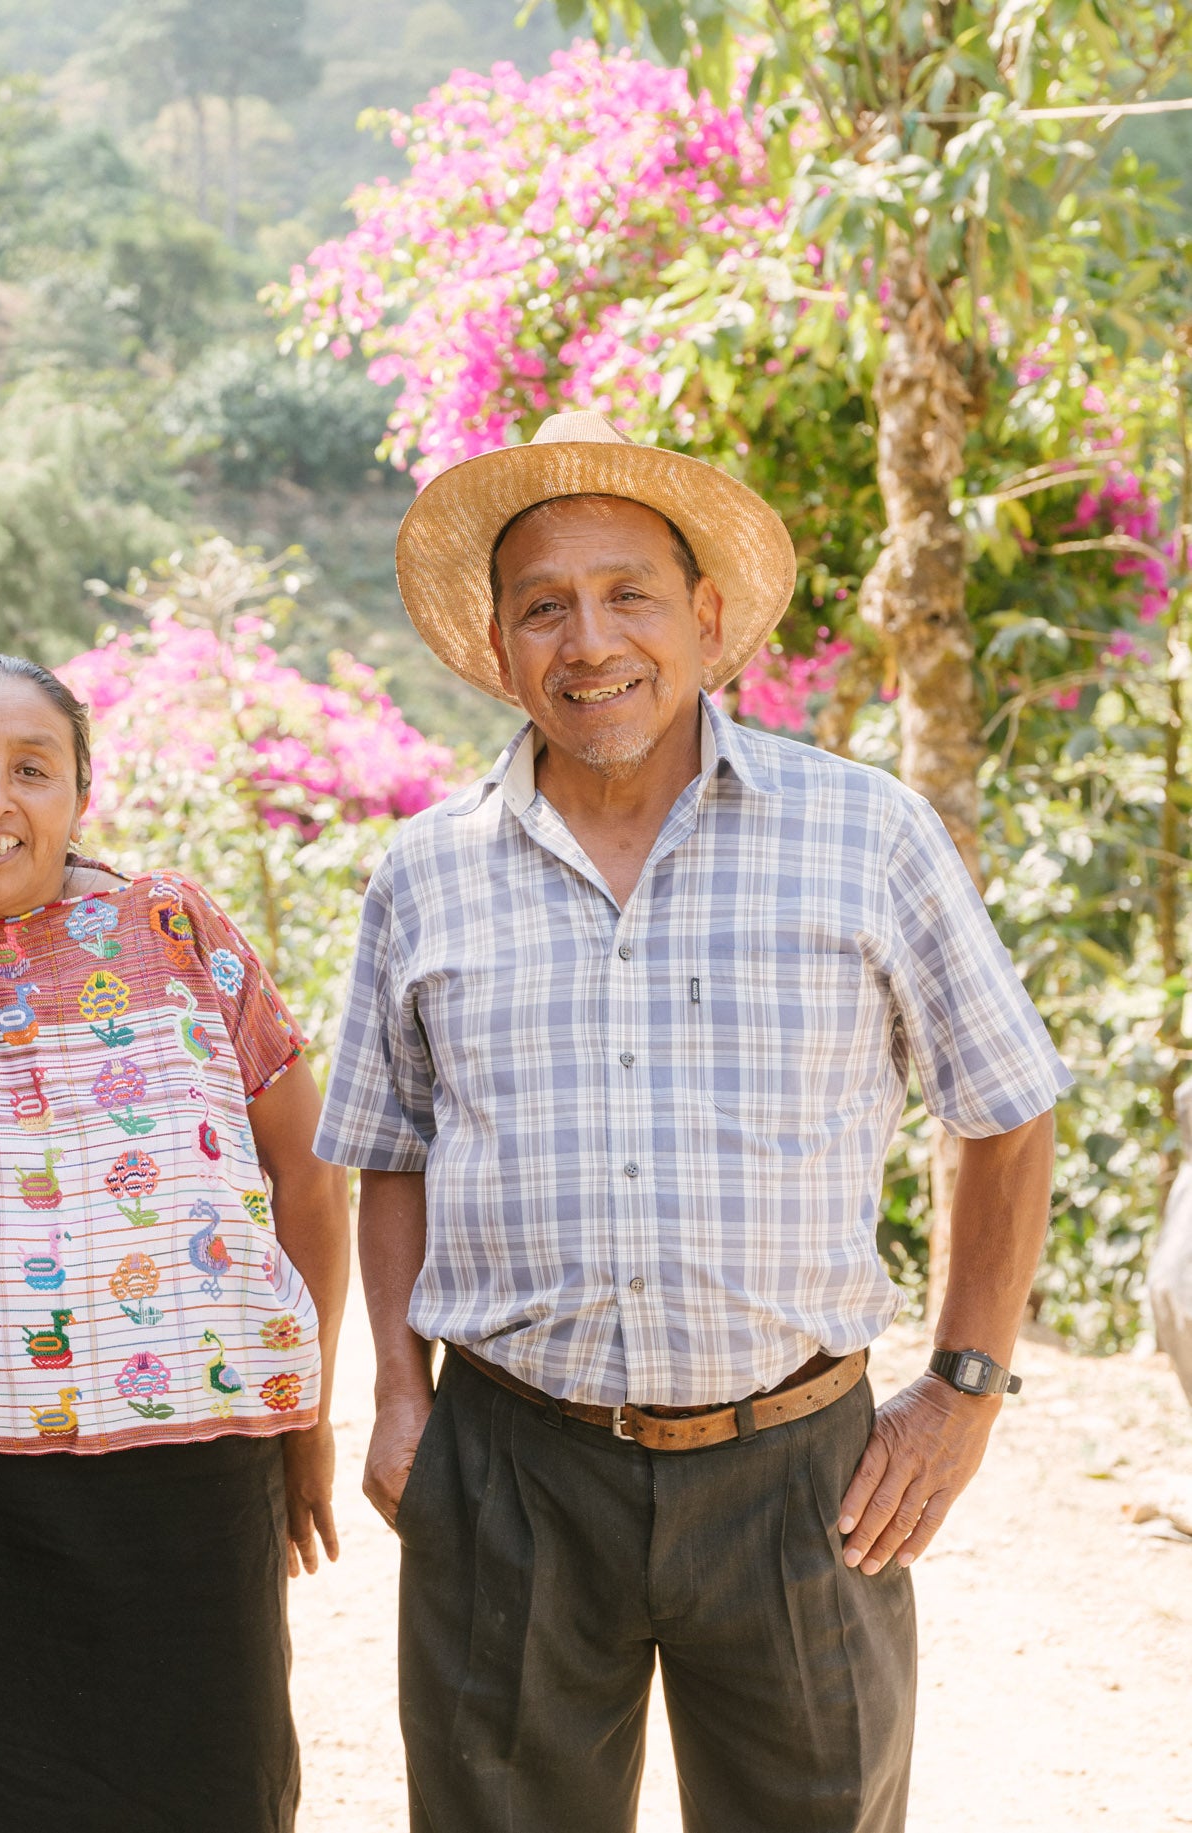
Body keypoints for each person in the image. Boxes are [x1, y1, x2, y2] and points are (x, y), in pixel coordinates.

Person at [315, 412, 1071, 1833]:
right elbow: (391, 1151)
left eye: (627, 595)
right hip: (508, 1466)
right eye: (543, 607)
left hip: (802, 1473)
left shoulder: (864, 834)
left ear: (706, 619)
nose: (587, 640)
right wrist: (400, 1393)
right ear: (494, 643)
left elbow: (1006, 1112)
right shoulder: (422, 876)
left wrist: (961, 1391)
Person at [0, 654, 351, 1833]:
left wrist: (303, 1423)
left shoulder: (172, 929)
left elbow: (308, 1177)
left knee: (201, 1789)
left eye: (31, 769)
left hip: (192, 1484)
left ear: (80, 792)